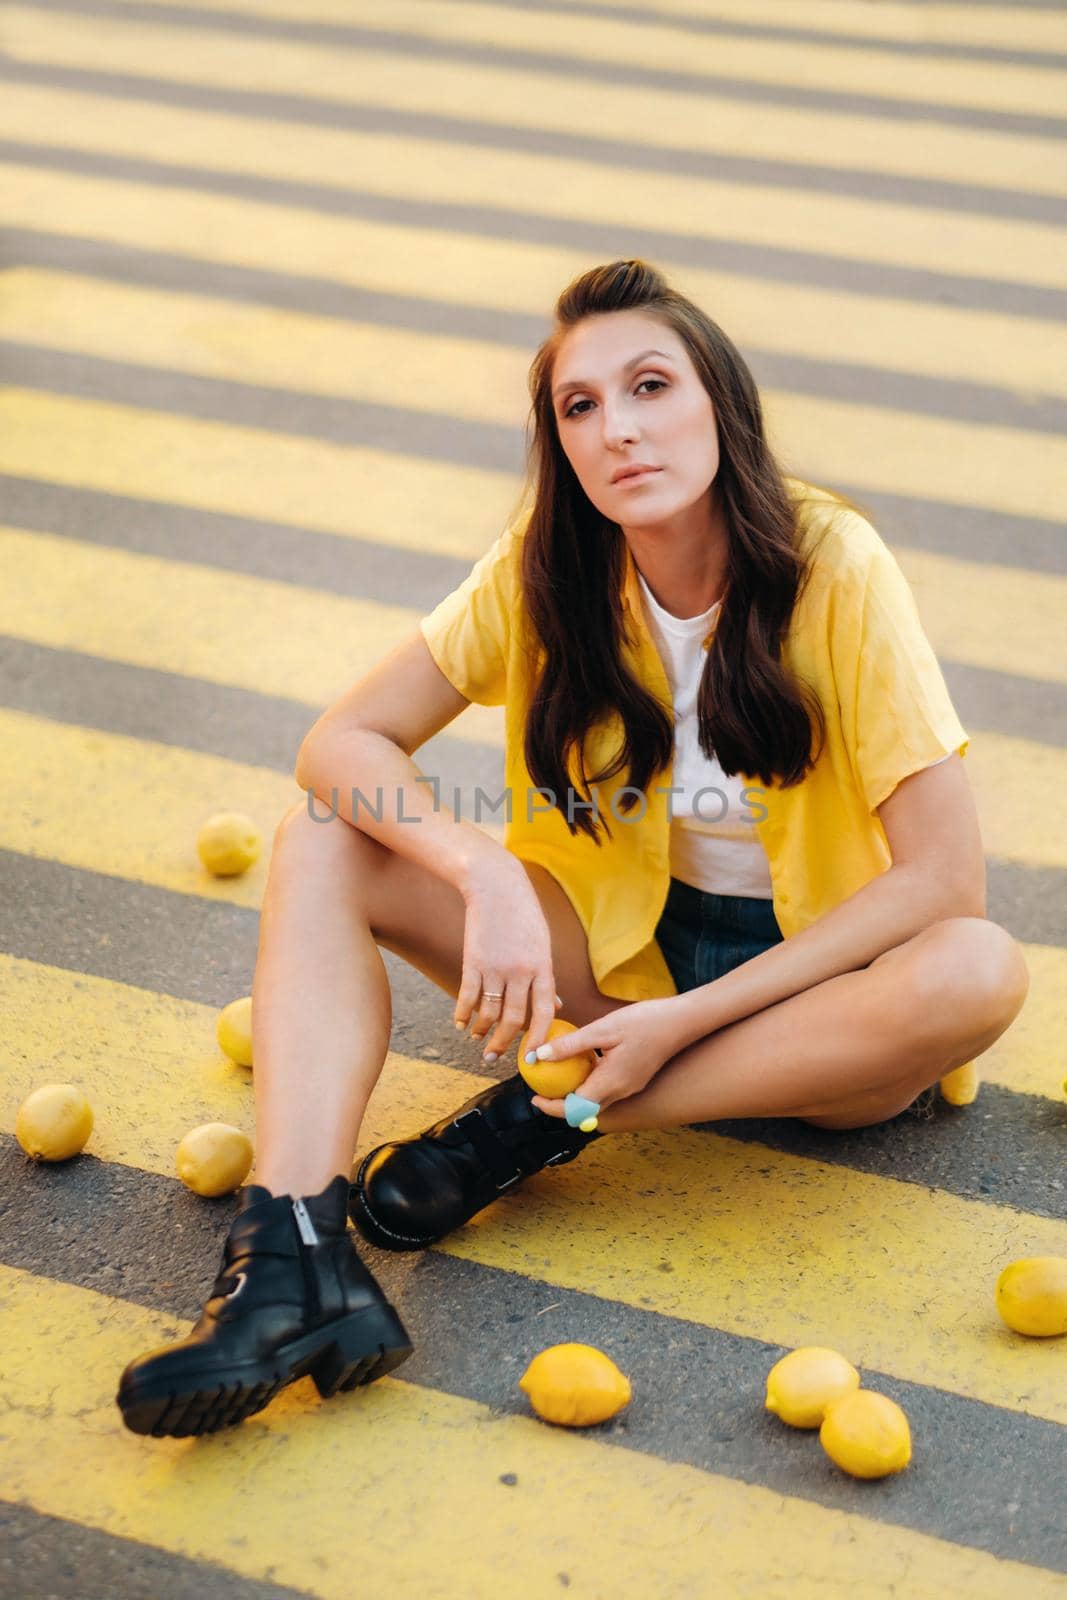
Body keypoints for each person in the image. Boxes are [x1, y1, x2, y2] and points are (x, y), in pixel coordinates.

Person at [117, 258, 1029, 1438]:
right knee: (324, 835)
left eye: (650, 385)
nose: (619, 430)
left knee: (977, 965)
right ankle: (291, 1254)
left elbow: (942, 879)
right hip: (610, 969)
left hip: (820, 1009)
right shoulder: (548, 565)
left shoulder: (830, 566)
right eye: (579, 406)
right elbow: (342, 738)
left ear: (719, 404)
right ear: (558, 442)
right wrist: (479, 870)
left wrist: (680, 1025)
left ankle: (540, 1120)